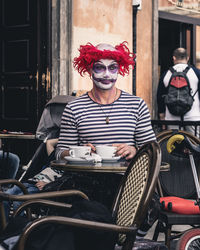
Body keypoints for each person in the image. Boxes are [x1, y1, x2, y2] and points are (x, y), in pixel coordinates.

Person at [55, 41, 158, 239]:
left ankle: (119, 240)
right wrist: (78, 151)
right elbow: (60, 153)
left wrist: (134, 150)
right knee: (85, 216)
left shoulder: (136, 105)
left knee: (145, 207)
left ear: (120, 70)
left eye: (112, 68)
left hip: (128, 181)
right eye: (99, 67)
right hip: (84, 183)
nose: (106, 74)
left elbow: (151, 149)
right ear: (89, 69)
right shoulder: (74, 108)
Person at [3, 138, 61, 220]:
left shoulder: (71, 168)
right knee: (4, 196)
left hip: (42, 187)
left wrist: (49, 185)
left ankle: (17, 228)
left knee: (18, 202)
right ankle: (4, 227)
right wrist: (66, 139)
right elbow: (49, 142)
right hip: (30, 182)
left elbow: (64, 182)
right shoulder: (54, 157)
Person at [157, 47, 200, 136]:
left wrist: (162, 117)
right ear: (187, 58)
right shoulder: (196, 73)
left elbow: (160, 96)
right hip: (193, 117)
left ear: (174, 58)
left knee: (173, 145)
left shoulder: (166, 74)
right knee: (195, 145)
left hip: (171, 117)